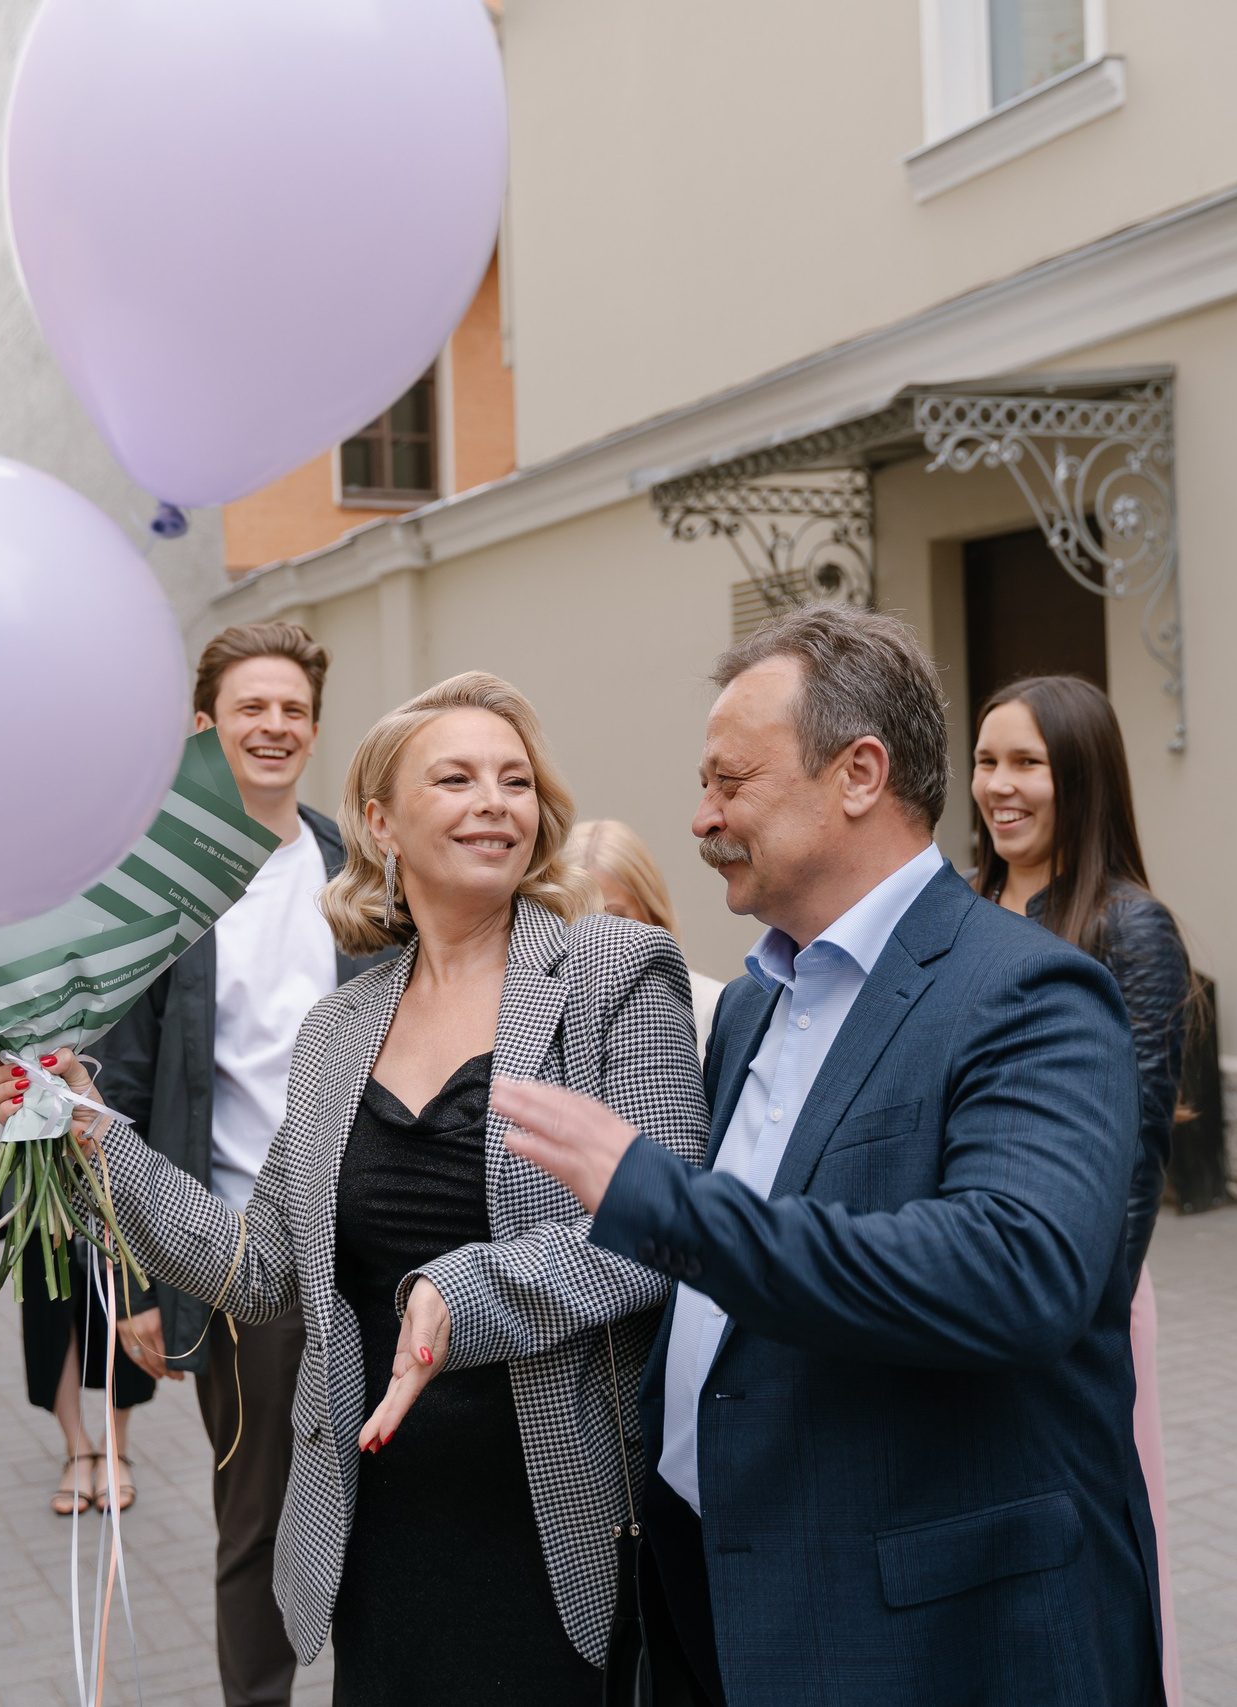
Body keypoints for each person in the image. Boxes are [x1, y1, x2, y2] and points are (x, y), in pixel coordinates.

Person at [0, 672, 708, 1706]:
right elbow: (266, 1269)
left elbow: (663, 1217)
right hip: (380, 1521)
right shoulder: (339, 1026)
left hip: (559, 1520)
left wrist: (464, 1295)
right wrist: (95, 1134)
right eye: (455, 778)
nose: (494, 802)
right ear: (379, 822)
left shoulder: (615, 971)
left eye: (515, 781)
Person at [497, 607, 1160, 1707]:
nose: (702, 817)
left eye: (731, 781)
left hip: (929, 1625)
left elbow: (1016, 1272)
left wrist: (654, 1196)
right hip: (729, 1591)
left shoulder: (1028, 992)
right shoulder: (757, 1002)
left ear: (859, 773)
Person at [88, 622, 386, 1704]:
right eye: (250, 708)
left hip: (378, 1242)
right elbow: (113, 1092)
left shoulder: (362, 869)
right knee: (257, 1519)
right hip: (243, 1255)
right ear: (204, 726)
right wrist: (132, 1276)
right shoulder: (161, 887)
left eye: (293, 709)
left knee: (390, 1510)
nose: (275, 727)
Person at [971, 674, 1191, 1704]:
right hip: (973, 1277)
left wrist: (1075, 1321)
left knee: (1083, 1530)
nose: (998, 787)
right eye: (985, 762)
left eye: (1027, 764)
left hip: (1077, 1297)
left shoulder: (1127, 928)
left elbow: (1134, 1157)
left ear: (1082, 776)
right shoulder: (964, 905)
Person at [564, 818, 726, 1058]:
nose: (591, 936)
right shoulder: (528, 1014)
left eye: (611, 918)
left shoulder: (711, 1011)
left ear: (654, 918)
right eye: (571, 920)